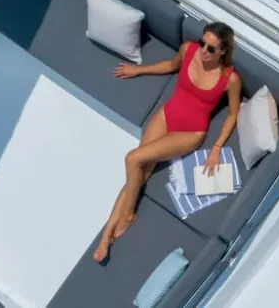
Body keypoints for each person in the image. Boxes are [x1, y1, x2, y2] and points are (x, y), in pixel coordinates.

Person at [93, 22, 242, 263]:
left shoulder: (230, 79)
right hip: (167, 115)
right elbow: (171, 66)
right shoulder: (188, 50)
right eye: (203, 43)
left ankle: (121, 221)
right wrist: (138, 70)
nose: (203, 50)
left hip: (190, 132)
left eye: (211, 49)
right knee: (138, 170)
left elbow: (233, 114)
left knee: (133, 158)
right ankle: (111, 230)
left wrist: (216, 148)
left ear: (223, 51)